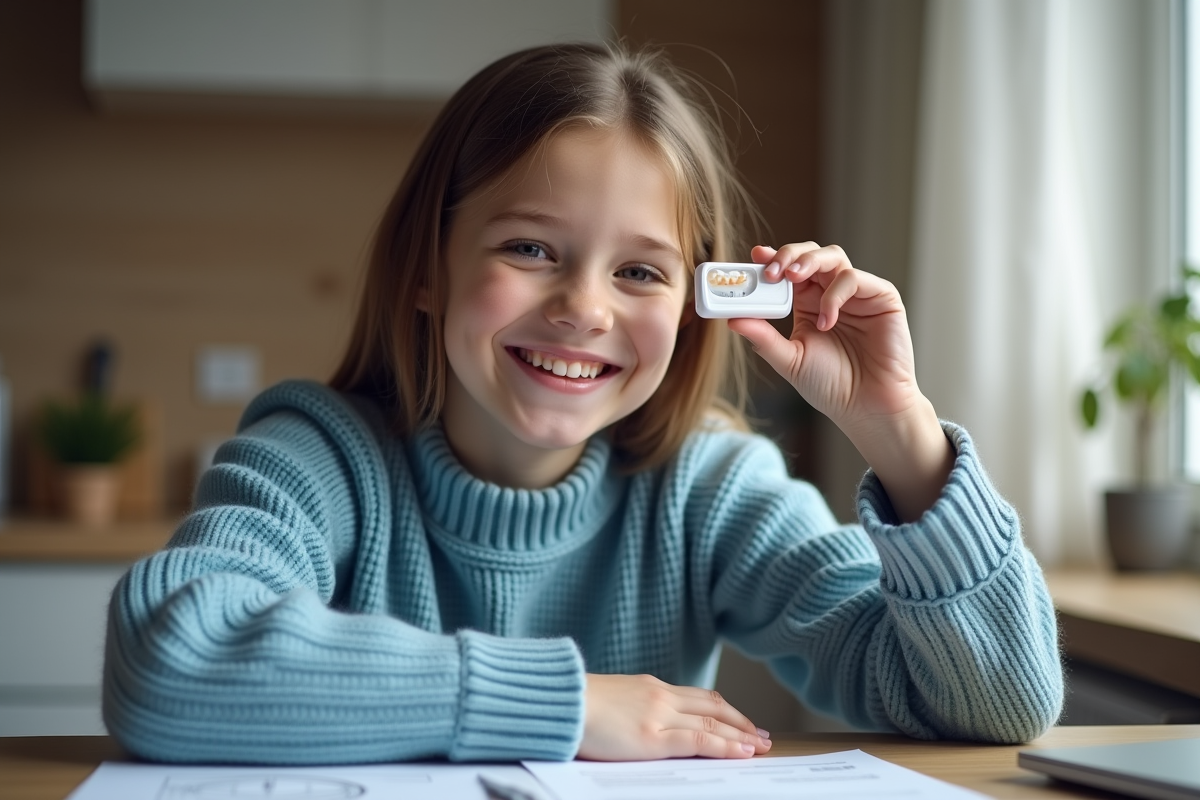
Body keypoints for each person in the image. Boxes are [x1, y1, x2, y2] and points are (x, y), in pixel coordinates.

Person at [102, 42, 1063, 765]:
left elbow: (1001, 706)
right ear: (429, 268)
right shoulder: (318, 456)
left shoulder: (708, 487)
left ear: (692, 309)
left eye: (641, 270)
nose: (583, 310)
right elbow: (169, 656)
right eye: (529, 249)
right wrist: (563, 704)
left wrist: (896, 429)